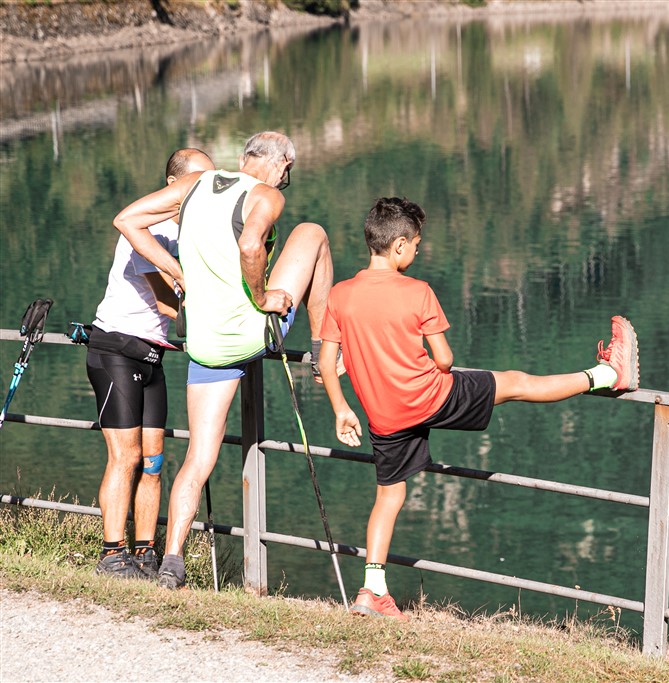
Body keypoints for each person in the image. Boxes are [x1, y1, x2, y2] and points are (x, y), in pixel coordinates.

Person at [318, 197, 639, 621]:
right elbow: (445, 360)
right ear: (399, 245)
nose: (418, 252)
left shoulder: (340, 295)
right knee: (517, 384)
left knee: (389, 496)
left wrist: (342, 409)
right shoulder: (417, 292)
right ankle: (608, 374)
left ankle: (371, 591)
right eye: (417, 245)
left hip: (384, 415)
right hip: (431, 397)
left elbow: (327, 362)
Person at [112, 131, 337, 589]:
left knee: (198, 457)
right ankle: (320, 350)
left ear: (243, 156)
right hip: (253, 334)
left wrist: (177, 271)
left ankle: (171, 561)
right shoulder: (267, 195)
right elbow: (252, 246)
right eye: (287, 173)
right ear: (282, 166)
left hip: (205, 344)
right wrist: (262, 297)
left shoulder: (196, 184)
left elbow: (127, 220)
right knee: (313, 234)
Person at [89, 148, 216, 579]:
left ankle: (145, 553)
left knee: (154, 461)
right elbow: (169, 304)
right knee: (125, 457)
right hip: (116, 350)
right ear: (174, 185)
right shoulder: (152, 229)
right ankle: (112, 554)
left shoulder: (185, 235)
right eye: (199, 179)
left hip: (151, 356)